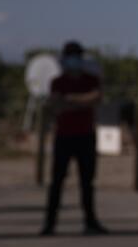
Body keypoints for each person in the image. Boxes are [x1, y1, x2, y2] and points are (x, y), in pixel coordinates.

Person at [40, 41, 107, 236]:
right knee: (57, 182)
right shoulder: (57, 81)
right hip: (64, 137)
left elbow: (95, 98)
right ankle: (50, 223)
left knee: (87, 182)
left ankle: (90, 221)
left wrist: (69, 100)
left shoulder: (91, 79)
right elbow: (56, 106)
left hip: (85, 136)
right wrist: (81, 101)